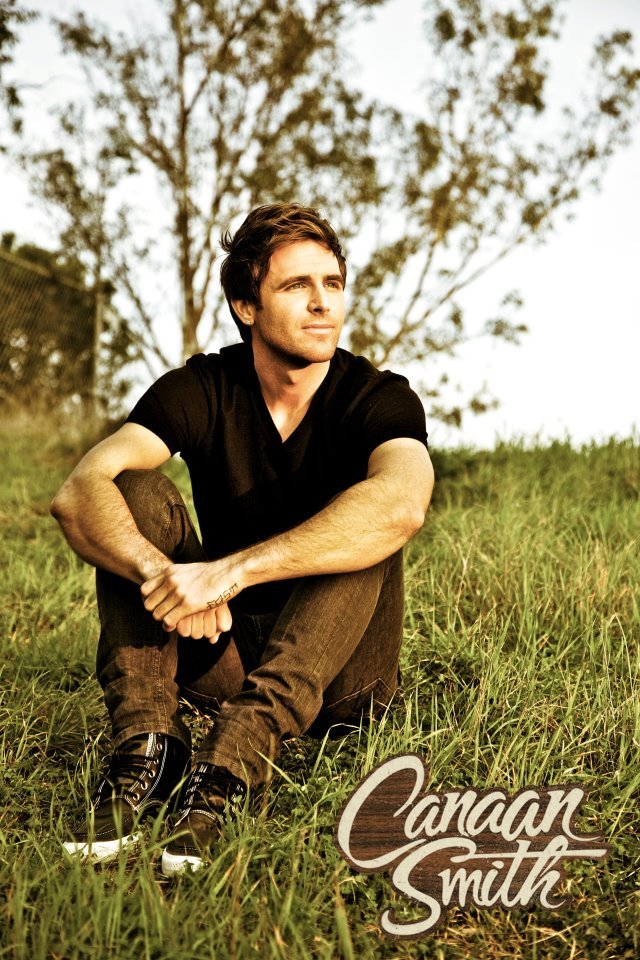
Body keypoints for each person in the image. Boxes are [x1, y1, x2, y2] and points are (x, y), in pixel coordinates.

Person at [51, 202, 434, 876]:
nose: (323, 304)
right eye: (297, 286)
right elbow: (79, 491)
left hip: (342, 678)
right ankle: (148, 743)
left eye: (332, 284)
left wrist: (228, 573)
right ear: (245, 305)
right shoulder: (203, 387)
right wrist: (164, 576)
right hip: (220, 655)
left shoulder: (376, 396)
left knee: (366, 514)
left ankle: (236, 755)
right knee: (132, 489)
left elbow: (402, 503)